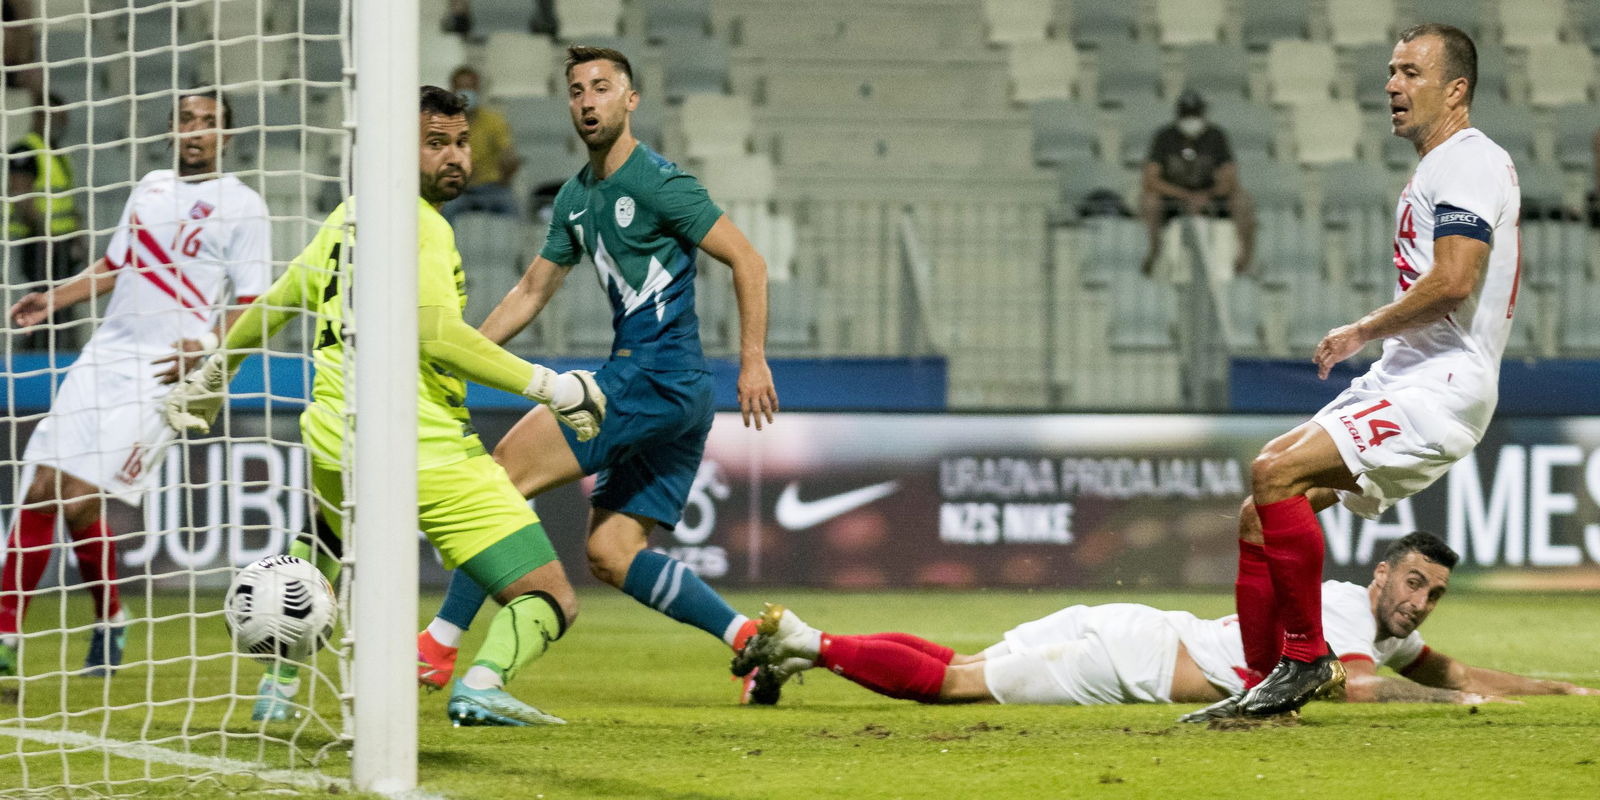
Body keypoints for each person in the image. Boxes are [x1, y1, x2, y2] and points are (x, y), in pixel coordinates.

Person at [162, 86, 608, 728]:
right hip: (424, 448)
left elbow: (279, 301)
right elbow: (437, 335)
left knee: (322, 541)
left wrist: (213, 375)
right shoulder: (422, 226)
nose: (455, 157)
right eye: (435, 144)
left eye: (459, 143)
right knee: (549, 597)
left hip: (333, 438)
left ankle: (279, 687)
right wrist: (554, 387)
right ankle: (480, 683)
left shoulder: (348, 216)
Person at [413, 45, 783, 704]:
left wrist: (753, 358)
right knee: (612, 552)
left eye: (602, 88)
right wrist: (457, 352)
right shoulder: (577, 199)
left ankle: (440, 644)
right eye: (577, 91)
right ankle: (750, 640)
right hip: (676, 393)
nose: (588, 101)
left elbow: (748, 261)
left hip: (653, 377)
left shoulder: (660, 181)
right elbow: (531, 290)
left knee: (502, 474)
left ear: (630, 100)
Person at [1201, 23, 1521, 720]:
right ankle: (1266, 688)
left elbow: (1456, 279)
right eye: (1391, 71)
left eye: (1410, 72)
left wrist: (1362, 329)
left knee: (1274, 473)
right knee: (1262, 514)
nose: (1392, 86)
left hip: (1442, 385)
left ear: (1456, 88)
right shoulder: (1439, 166)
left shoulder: (1468, 160)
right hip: (1408, 374)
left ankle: (1306, 659)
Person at [3, 90, 269, 678]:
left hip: (163, 370)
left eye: (208, 123)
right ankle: (11, 638)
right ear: (171, 130)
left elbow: (251, 304)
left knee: (74, 496)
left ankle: (107, 617)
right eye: (186, 120)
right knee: (44, 482)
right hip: (106, 352)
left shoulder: (243, 205)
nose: (196, 131)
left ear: (226, 137)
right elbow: (114, 266)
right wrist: (53, 298)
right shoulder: (148, 187)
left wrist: (203, 350)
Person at [736, 533, 1598, 708]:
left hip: (1131, 623)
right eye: (1411, 581)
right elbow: (1364, 688)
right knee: (955, 687)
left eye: (1431, 593)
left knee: (960, 659)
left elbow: (1440, 666)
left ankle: (809, 653)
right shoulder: (1342, 607)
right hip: (1130, 663)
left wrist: (1543, 685)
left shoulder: (1387, 624)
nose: (1416, 601)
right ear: (1381, 572)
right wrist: (1462, 710)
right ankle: (803, 639)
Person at [1138, 89, 1255, 275]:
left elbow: (1230, 176)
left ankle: (1245, 258)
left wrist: (1207, 195)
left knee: (1242, 199)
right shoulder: (1164, 137)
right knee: (1149, 201)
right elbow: (1150, 180)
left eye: (1195, 114)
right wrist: (1186, 196)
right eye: (1186, 115)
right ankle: (1154, 252)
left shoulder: (1216, 136)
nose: (1191, 120)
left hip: (1209, 195)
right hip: (1173, 199)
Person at [6, 90, 84, 349]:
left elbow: (66, 201)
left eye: (63, 118)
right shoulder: (25, 150)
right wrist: (44, 236)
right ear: (38, 117)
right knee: (42, 302)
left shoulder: (57, 152)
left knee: (61, 303)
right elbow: (21, 196)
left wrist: (76, 236)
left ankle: (55, 349)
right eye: (54, 117)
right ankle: (35, 351)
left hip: (60, 244)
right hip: (37, 243)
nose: (59, 123)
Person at [440, 65, 521, 222]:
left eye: (470, 87)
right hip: (457, 190)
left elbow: (508, 154)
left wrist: (506, 172)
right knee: (443, 212)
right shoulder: (443, 123)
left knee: (512, 209)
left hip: (491, 188)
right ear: (452, 90)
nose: (466, 92)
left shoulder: (494, 121)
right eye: (461, 88)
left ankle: (517, 247)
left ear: (478, 89)